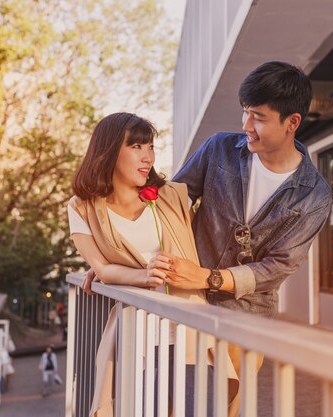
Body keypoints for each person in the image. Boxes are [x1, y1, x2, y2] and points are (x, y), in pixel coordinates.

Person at [155, 61, 332, 413]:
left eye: (259, 117)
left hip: (246, 318)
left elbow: (279, 266)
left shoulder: (315, 195)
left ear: (291, 123)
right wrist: (118, 258)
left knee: (223, 408)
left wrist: (209, 277)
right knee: (175, 403)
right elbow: (168, 203)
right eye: (245, 113)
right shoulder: (218, 148)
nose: (246, 126)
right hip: (185, 302)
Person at [67, 113, 238, 417]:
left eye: (151, 147)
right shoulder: (82, 207)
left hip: (189, 329)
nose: (147, 157)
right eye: (136, 147)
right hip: (139, 335)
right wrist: (138, 274)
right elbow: (103, 269)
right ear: (108, 151)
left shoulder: (171, 195)